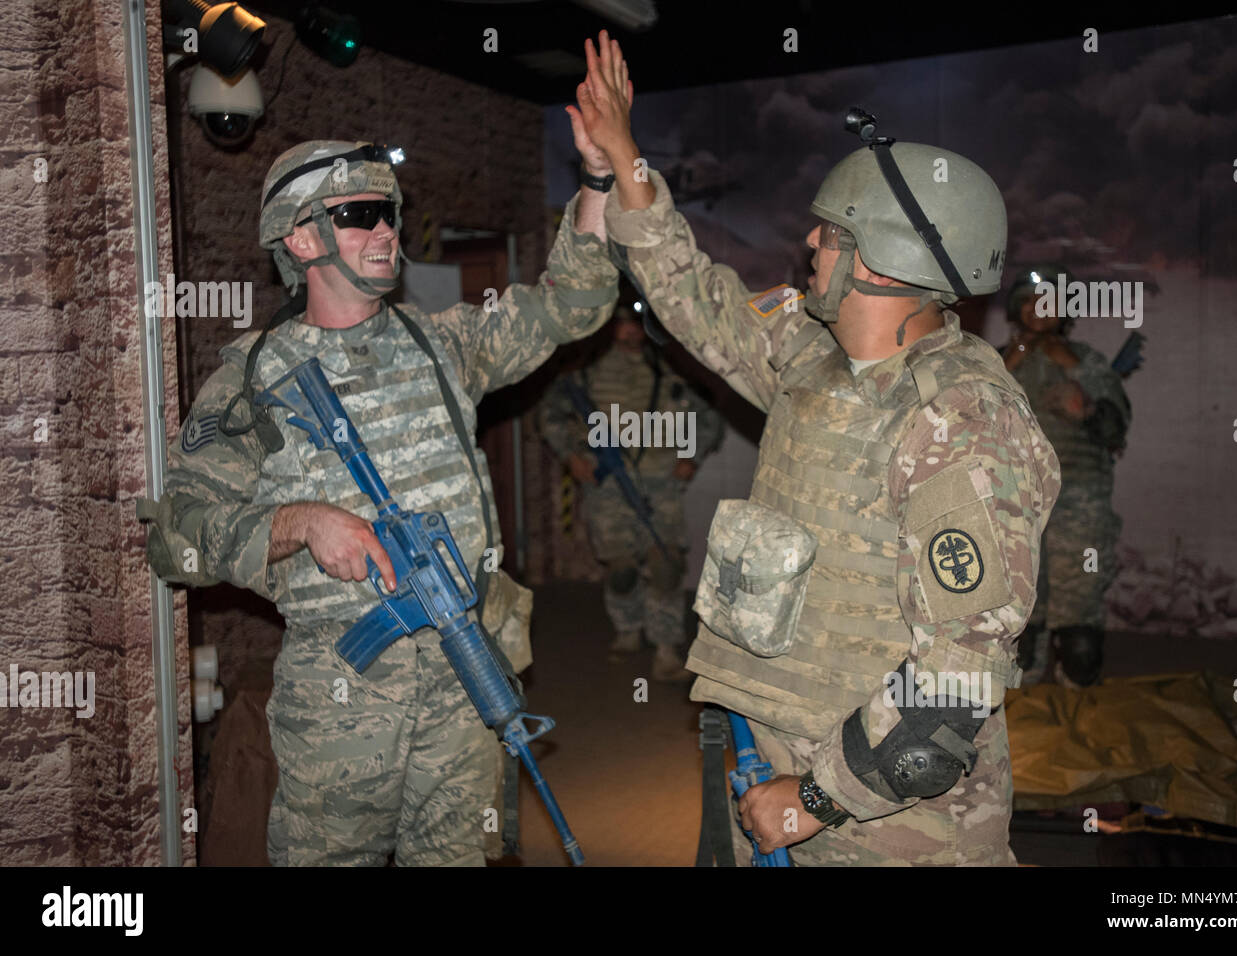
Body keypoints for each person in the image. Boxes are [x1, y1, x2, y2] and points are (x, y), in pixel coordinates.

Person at [575, 29, 1060, 865]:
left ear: (881, 259)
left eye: (830, 234)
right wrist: (625, 160)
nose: (809, 246)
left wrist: (812, 802)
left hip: (891, 828)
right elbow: (695, 294)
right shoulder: (813, 355)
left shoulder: (961, 422)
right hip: (769, 762)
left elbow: (953, 682)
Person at [141, 74, 624, 865]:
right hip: (341, 710)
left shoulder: (445, 342)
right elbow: (176, 540)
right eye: (358, 215)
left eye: (388, 213)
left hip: (466, 678)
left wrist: (599, 178)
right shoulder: (254, 382)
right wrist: (299, 524)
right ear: (301, 240)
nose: (385, 231)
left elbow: (578, 298)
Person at [539, 298, 724, 681]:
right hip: (607, 483)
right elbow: (551, 414)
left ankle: (667, 649)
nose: (630, 331)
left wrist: (692, 455)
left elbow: (708, 415)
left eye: (637, 323)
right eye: (622, 323)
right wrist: (571, 455)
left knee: (666, 565)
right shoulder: (585, 374)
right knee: (621, 568)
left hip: (661, 481)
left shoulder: (671, 371)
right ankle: (627, 629)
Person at [1001, 266, 1130, 686]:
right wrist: (1008, 365)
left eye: (1050, 302)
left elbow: (1116, 429)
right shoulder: (995, 362)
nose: (1039, 310)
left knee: (1079, 635)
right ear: (1016, 308)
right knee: (1018, 620)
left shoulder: (1087, 362)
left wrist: (1087, 407)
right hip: (1012, 499)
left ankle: (1078, 697)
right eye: (1031, 301)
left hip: (1079, 500)